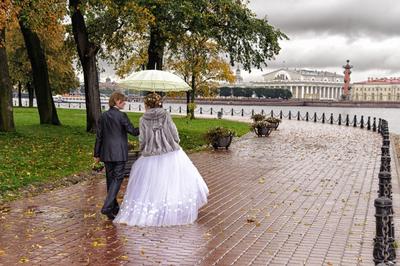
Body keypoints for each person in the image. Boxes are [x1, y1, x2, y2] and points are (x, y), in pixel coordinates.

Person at [114, 92, 209, 227]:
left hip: (151, 154)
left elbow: (143, 139)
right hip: (170, 151)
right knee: (173, 181)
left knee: (152, 184)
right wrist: (175, 142)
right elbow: (173, 131)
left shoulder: (143, 119)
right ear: (158, 103)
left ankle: (155, 210)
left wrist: (143, 149)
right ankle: (173, 209)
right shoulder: (165, 115)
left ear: (147, 104)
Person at [94, 92, 140, 220]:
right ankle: (107, 206)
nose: (125, 103)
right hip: (119, 153)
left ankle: (113, 209)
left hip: (106, 154)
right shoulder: (121, 116)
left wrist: (96, 154)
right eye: (123, 101)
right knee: (117, 179)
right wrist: (144, 124)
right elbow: (133, 132)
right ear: (117, 101)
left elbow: (99, 137)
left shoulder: (103, 116)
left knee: (110, 180)